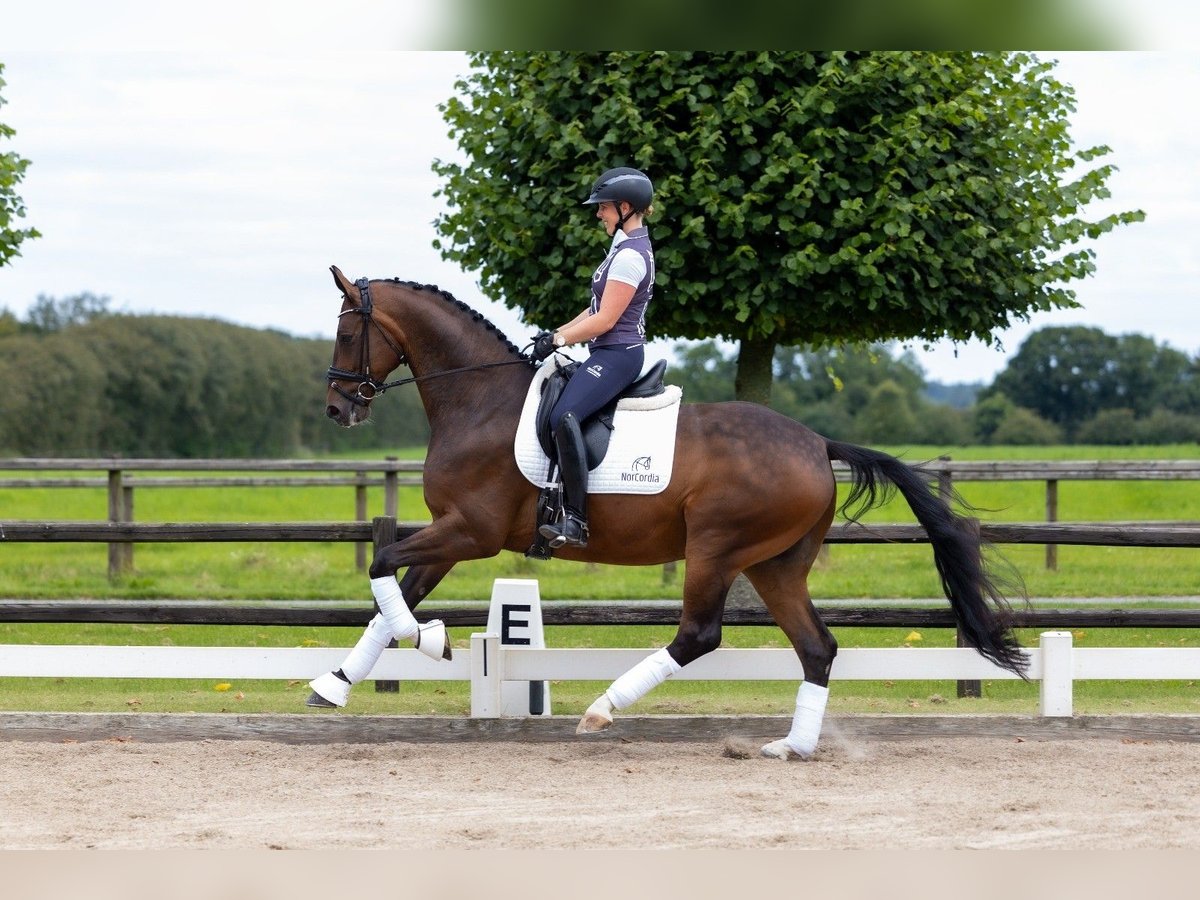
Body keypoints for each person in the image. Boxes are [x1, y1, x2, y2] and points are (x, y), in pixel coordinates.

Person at [529, 166, 656, 549]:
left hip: (619, 354)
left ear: (625, 207)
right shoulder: (622, 249)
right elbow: (593, 308)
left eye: (603, 207)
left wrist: (560, 339)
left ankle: (576, 519)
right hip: (608, 350)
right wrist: (555, 334)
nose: (598, 214)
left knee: (563, 415)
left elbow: (606, 319)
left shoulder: (631, 257)